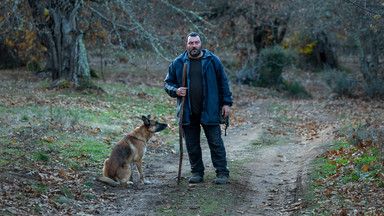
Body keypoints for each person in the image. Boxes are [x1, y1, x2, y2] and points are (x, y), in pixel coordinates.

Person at [164, 32, 233, 184]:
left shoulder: (212, 61)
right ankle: (197, 173)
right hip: (188, 111)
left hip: (210, 109)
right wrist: (175, 90)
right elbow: (167, 83)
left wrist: (226, 103)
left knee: (215, 142)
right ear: (186, 45)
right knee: (192, 144)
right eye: (191, 43)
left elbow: (223, 82)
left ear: (201, 43)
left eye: (196, 42)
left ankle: (222, 172)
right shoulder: (178, 62)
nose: (194, 46)